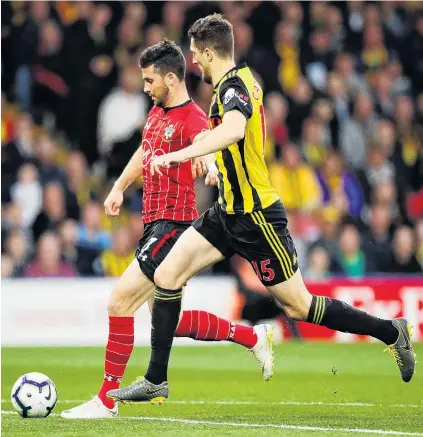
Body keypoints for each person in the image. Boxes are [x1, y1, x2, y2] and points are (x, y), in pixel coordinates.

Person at [108, 14, 416, 405]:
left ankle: (392, 332)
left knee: (298, 305)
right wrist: (215, 166)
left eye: (196, 55)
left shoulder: (234, 86)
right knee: (166, 275)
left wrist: (180, 155)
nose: (193, 64)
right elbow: (230, 142)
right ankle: (156, 380)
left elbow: (234, 130)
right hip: (226, 213)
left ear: (208, 51)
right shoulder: (232, 84)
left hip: (258, 216)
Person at [61, 39, 273, 420]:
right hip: (151, 224)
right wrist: (119, 186)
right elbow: (145, 151)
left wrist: (207, 165)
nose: (145, 88)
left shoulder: (193, 117)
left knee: (118, 302)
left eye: (149, 81)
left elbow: (206, 145)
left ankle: (105, 400)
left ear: (171, 79)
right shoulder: (157, 112)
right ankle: (252, 336)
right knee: (167, 322)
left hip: (174, 227)